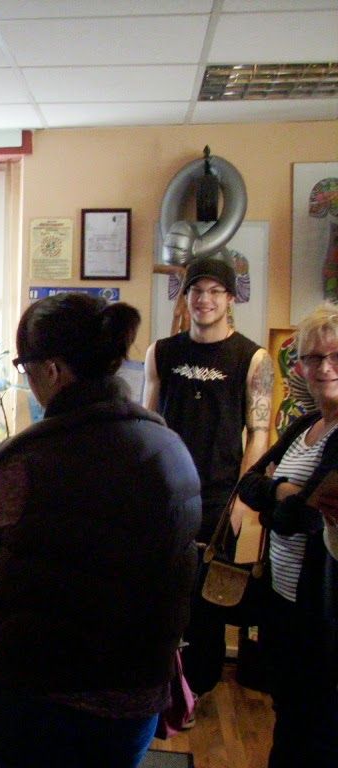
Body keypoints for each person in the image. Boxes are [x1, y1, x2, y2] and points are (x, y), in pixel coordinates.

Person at [0, 293, 201, 768]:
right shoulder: (170, 446)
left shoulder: (26, 460)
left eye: (24, 365)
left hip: (38, 687)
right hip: (135, 686)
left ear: (52, 370)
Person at [143, 255, 272, 701]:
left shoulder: (253, 358)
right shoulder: (161, 352)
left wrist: (242, 500)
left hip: (219, 501)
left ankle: (197, 690)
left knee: (207, 605)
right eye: (198, 290)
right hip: (164, 495)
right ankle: (156, 686)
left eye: (216, 291)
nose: (205, 299)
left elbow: (259, 433)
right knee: (159, 597)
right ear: (186, 295)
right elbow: (148, 423)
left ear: (231, 298)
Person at [236, 303, 338, 767]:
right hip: (283, 597)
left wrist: (278, 495)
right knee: (288, 710)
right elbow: (250, 483)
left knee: (316, 725)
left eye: (335, 356)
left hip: (323, 607)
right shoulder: (303, 426)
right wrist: (283, 489)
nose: (324, 368)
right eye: (314, 359)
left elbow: (302, 518)